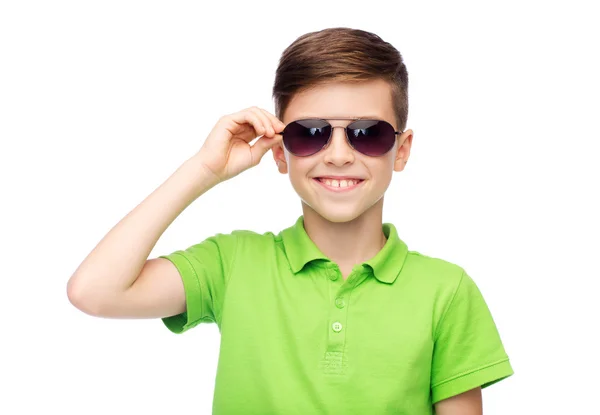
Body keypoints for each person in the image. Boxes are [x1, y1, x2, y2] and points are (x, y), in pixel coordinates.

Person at [67, 27, 513, 414]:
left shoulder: (447, 291)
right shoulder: (234, 263)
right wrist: (203, 170)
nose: (338, 155)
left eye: (368, 133)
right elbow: (94, 291)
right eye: (311, 134)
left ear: (403, 149)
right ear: (280, 151)